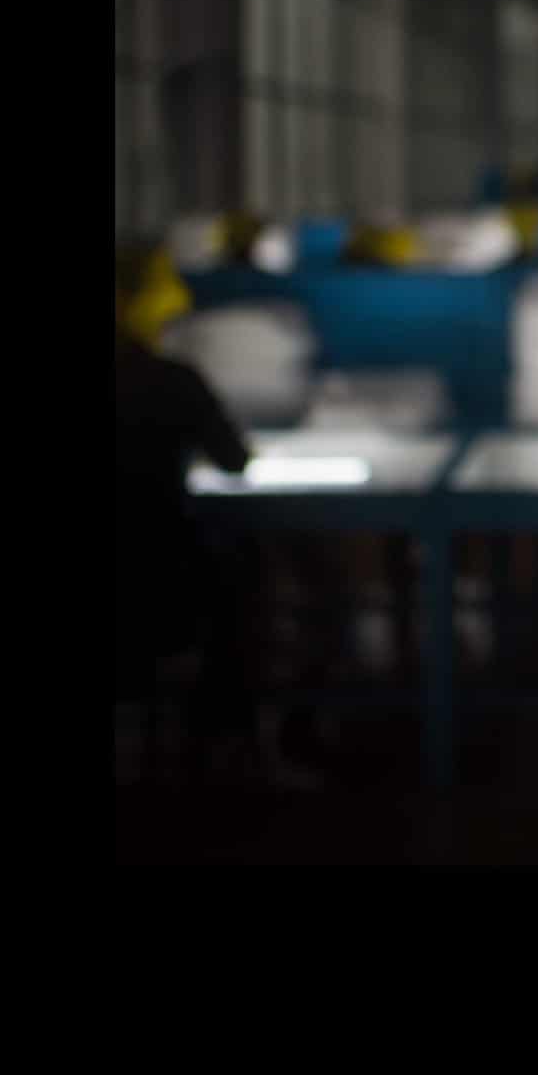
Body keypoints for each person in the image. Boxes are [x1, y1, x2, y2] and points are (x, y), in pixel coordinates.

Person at [113, 248, 321, 788]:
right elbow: (234, 459)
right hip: (162, 581)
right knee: (245, 579)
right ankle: (227, 744)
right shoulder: (170, 380)